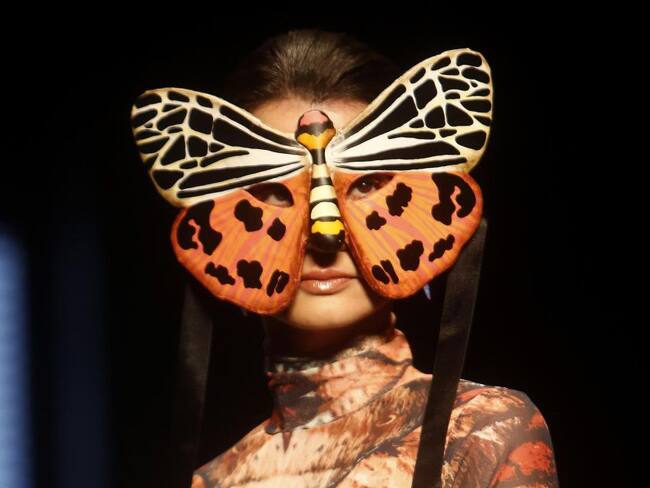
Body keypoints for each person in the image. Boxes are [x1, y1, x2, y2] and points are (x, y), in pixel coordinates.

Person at [132, 28, 560, 487]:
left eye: (366, 185)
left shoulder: (481, 430)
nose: (325, 234)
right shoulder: (211, 481)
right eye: (273, 192)